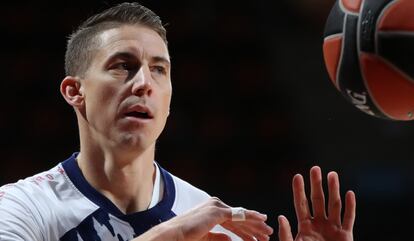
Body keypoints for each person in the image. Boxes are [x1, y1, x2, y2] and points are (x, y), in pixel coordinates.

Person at [0, 2, 356, 241]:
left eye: (159, 70)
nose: (144, 83)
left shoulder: (217, 228)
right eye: (123, 65)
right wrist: (170, 235)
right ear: (75, 91)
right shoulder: (22, 207)